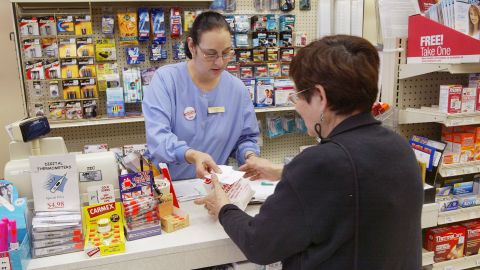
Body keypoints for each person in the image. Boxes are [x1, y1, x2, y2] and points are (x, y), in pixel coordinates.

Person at [195, 35, 423, 269]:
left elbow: (259, 244)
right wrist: (283, 172)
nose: (296, 105)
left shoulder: (321, 163)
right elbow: (355, 180)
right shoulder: (399, 147)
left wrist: (224, 206)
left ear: (320, 97)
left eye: (299, 95)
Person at [143, 11, 260, 180]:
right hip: (170, 190)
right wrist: (192, 155)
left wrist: (250, 156)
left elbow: (245, 138)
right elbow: (158, 138)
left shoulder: (237, 89)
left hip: (213, 188)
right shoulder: (166, 80)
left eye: (226, 52)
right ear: (192, 46)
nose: (220, 62)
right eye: (210, 54)